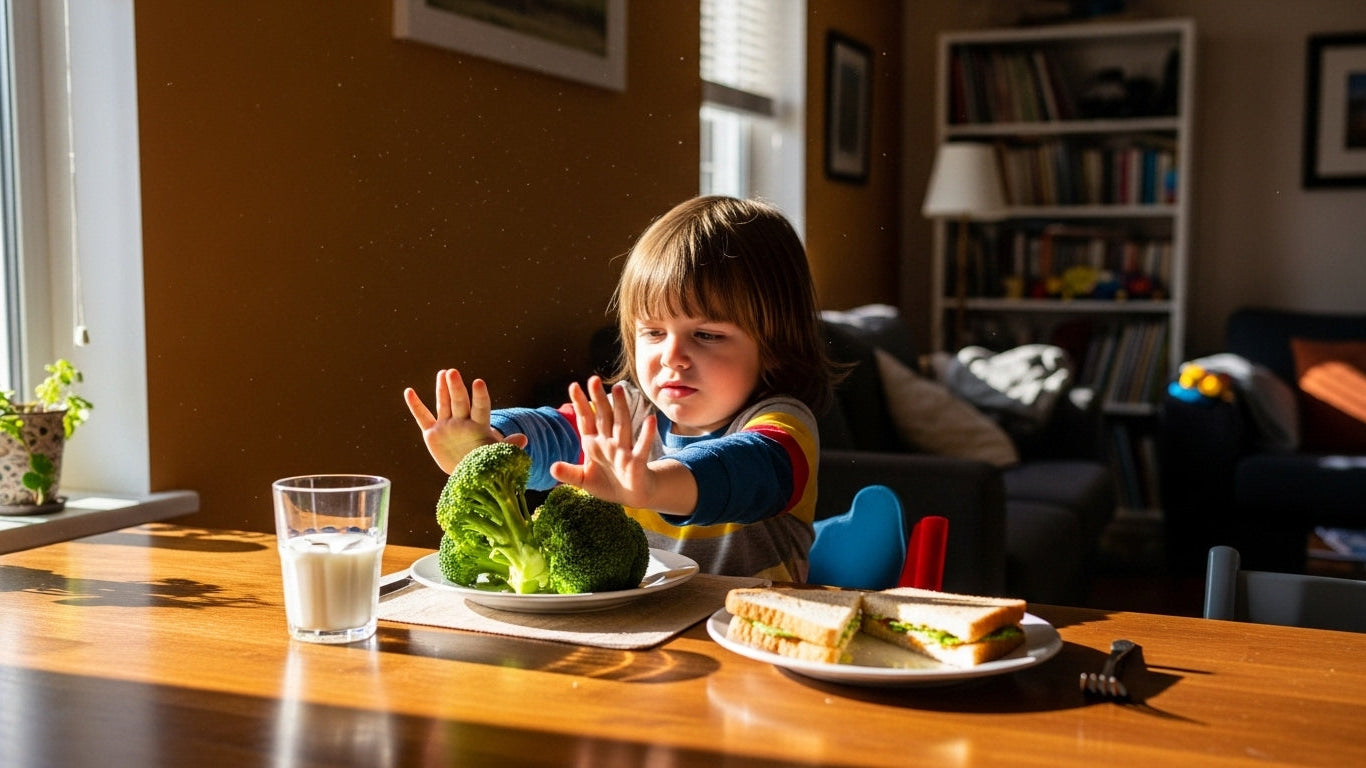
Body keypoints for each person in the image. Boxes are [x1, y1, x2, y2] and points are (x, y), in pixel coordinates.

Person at [403, 196, 835, 581]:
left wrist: (653, 485)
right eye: (653, 332)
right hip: (633, 631)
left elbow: (742, 470)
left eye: (707, 335)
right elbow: (553, 433)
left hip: (738, 633)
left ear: (774, 345)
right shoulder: (627, 413)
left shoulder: (783, 427)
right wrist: (490, 442)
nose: (671, 357)